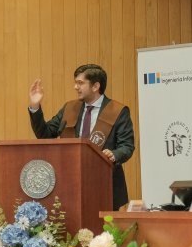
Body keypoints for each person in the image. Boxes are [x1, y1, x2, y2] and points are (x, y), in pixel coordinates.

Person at [27, 64, 135, 210]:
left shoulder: (117, 111)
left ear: (95, 86)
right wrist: (35, 106)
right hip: (70, 184)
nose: (75, 87)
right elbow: (44, 134)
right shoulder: (69, 108)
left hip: (105, 185)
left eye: (80, 83)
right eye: (75, 82)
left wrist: (114, 154)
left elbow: (127, 146)